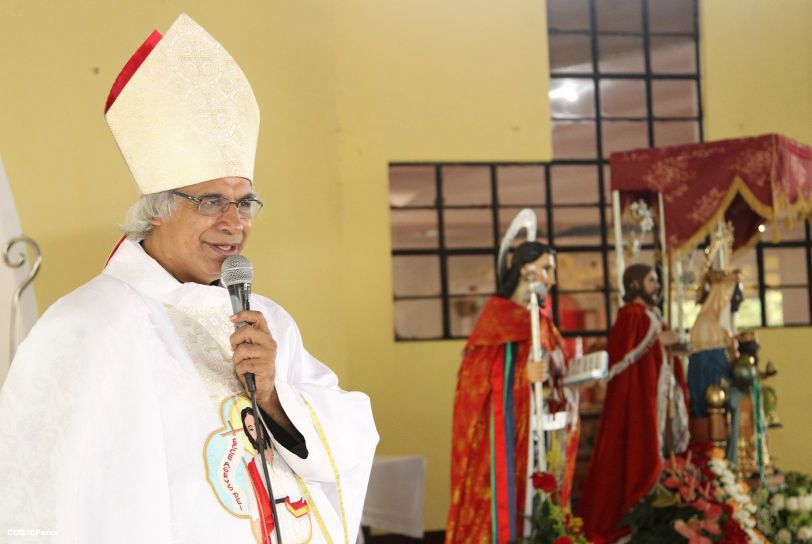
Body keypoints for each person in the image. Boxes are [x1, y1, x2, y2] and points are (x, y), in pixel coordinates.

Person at [0, 14, 377, 543]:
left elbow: (353, 432)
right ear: (156, 209)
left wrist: (273, 397)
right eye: (211, 202)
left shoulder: (268, 321)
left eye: (244, 202)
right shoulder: (88, 324)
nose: (235, 223)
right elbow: (44, 496)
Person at [446, 241, 577, 544]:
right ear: (524, 269)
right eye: (546, 270)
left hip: (538, 428)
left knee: (538, 501)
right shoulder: (497, 318)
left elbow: (557, 362)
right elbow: (474, 379)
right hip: (505, 434)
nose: (552, 280)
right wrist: (521, 376)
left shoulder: (540, 319)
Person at [577, 264, 689, 543]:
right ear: (636, 284)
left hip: (657, 399)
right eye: (651, 280)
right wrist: (658, 341)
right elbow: (625, 358)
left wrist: (670, 346)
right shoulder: (631, 316)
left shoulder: (651, 316)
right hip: (636, 403)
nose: (657, 285)